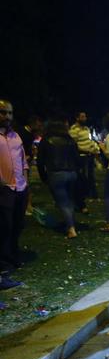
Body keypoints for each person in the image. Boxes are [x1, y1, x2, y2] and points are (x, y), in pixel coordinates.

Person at [0, 99, 28, 288]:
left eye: (10, 113)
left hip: (20, 187)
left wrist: (25, 180)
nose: (7, 116)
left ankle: (12, 256)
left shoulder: (16, 136)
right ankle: (3, 266)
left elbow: (23, 159)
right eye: (3, 112)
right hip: (4, 189)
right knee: (4, 227)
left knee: (17, 224)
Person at [37, 115, 80, 238]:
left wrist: (43, 176)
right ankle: (70, 223)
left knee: (63, 202)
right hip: (71, 173)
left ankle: (71, 228)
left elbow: (40, 161)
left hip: (56, 174)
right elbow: (76, 158)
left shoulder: (46, 140)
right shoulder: (70, 139)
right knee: (69, 200)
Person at [69, 111, 100, 202]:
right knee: (83, 176)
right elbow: (73, 145)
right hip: (81, 156)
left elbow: (90, 141)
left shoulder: (86, 129)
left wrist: (94, 149)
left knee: (91, 175)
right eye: (82, 117)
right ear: (77, 118)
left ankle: (92, 194)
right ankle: (84, 194)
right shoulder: (74, 130)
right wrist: (85, 150)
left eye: (85, 116)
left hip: (90, 155)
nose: (84, 118)